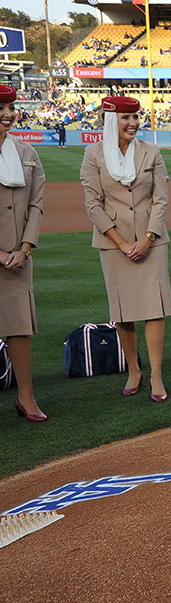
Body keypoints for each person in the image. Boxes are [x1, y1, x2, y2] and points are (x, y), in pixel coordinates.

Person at [81, 97, 171, 402]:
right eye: (125, 117)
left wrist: (147, 238)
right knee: (123, 311)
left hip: (152, 240)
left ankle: (157, 375)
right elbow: (93, 204)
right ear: (111, 121)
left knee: (154, 309)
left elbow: (161, 199)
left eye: (135, 116)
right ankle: (135, 369)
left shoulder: (152, 151)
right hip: (113, 243)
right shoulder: (93, 154)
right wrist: (121, 243)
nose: (133, 123)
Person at [0, 85, 46, 422]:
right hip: (3, 255)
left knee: (19, 327)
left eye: (11, 107)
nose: (8, 114)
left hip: (18, 257)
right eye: (1, 108)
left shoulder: (27, 153)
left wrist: (25, 248)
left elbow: (36, 205)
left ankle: (26, 397)